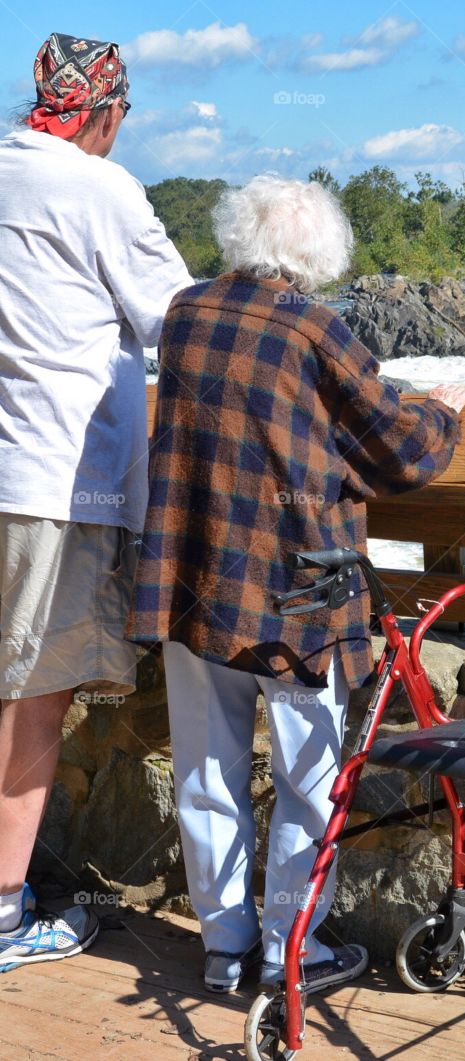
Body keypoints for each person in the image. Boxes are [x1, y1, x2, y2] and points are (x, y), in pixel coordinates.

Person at [125, 174, 465, 995]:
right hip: (297, 590)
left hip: (193, 572)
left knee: (206, 767)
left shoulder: (186, 313)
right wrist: (445, 412)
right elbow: (397, 448)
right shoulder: (316, 327)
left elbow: (268, 423)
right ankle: (292, 946)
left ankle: (224, 945)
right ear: (317, 253)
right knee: (305, 775)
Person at [0, 33, 191, 971]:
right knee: (35, 695)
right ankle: (1, 912)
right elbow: (178, 321)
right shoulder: (99, 188)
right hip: (57, 479)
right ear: (107, 114)